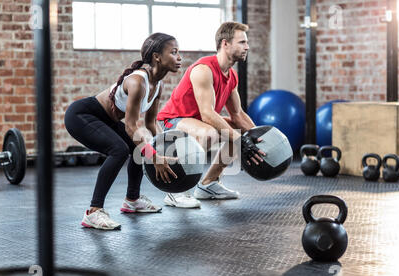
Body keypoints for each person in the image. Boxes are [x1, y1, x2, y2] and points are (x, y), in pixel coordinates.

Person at [64, 33, 181, 230]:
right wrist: (154, 157)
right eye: (174, 52)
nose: (179, 58)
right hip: (81, 115)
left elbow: (151, 123)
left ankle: (132, 200)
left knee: (139, 146)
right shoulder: (138, 82)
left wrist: (167, 149)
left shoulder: (158, 85)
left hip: (105, 119)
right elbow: (131, 126)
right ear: (157, 57)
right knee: (119, 149)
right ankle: (93, 212)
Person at [156, 22, 265, 208]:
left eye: (246, 43)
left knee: (237, 131)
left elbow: (237, 114)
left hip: (197, 122)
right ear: (225, 44)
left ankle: (209, 184)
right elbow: (207, 114)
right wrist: (240, 139)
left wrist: (258, 137)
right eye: (242, 42)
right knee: (211, 133)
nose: (247, 47)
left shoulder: (231, 76)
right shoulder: (204, 70)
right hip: (171, 121)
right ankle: (176, 189)